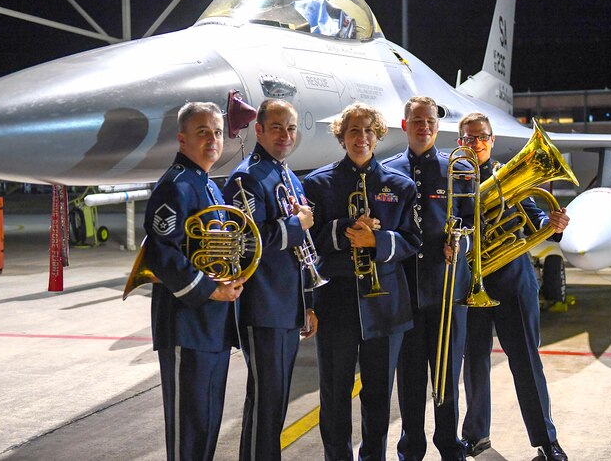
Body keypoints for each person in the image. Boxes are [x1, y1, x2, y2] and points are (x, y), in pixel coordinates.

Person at [303, 102, 421, 461]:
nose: (362, 137)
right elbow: (309, 244)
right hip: (337, 303)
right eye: (354, 130)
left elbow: (414, 241)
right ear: (342, 137)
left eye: (369, 130)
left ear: (378, 135)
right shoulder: (317, 183)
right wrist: (344, 232)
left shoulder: (399, 185)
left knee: (378, 397)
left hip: (385, 306)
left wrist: (378, 242)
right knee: (335, 395)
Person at [458, 113, 570, 461]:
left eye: (482, 138)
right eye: (468, 138)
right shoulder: (452, 179)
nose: (475, 144)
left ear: (491, 140)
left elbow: (533, 213)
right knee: (473, 362)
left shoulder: (507, 174)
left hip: (512, 281)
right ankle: (475, 436)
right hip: (469, 283)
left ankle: (547, 442)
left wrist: (552, 224)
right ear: (459, 140)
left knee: (526, 361)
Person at [144, 101, 245, 461]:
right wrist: (211, 289)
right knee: (188, 429)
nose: (213, 140)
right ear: (182, 139)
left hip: (211, 326)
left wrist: (233, 278)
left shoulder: (209, 186)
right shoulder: (176, 185)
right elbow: (161, 252)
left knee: (206, 422)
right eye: (202, 132)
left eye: (217, 132)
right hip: (186, 324)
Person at [222, 98, 318, 461]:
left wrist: (307, 305)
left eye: (290, 128)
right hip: (262, 307)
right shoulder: (247, 177)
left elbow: (300, 253)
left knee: (275, 401)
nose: (285, 134)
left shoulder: (288, 175)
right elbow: (250, 241)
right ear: (258, 129)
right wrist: (298, 224)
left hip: (286, 306)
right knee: (266, 400)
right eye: (276, 127)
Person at [381, 96, 473, 460]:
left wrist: (459, 242)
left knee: (448, 376)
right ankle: (411, 446)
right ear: (404, 125)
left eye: (430, 120)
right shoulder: (387, 171)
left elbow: (470, 218)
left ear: (438, 125)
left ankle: (450, 445)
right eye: (417, 120)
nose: (424, 126)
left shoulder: (457, 169)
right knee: (411, 377)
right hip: (405, 292)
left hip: (447, 289)